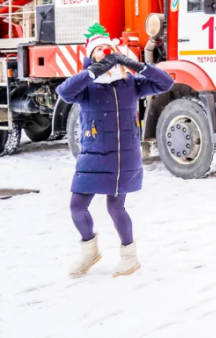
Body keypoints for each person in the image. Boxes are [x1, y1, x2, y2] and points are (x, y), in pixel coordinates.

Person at [56, 23, 174, 278]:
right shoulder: (86, 86)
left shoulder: (130, 82)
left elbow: (166, 83)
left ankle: (129, 257)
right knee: (77, 206)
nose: (104, 52)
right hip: (93, 156)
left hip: (123, 156)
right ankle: (89, 251)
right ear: (92, 56)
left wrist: (137, 65)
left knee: (115, 208)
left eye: (108, 49)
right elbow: (64, 92)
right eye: (98, 50)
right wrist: (91, 72)